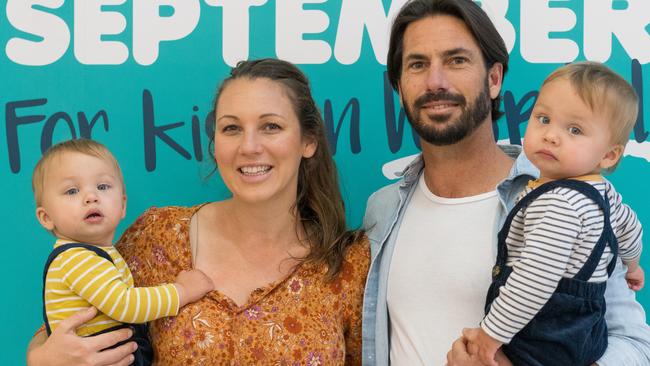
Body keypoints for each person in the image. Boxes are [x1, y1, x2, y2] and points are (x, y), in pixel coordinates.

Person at [360, 0, 650, 365]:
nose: (436, 81)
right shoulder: (382, 208)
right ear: (400, 87)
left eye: (456, 60)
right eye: (418, 64)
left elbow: (636, 346)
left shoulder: (566, 200)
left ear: (494, 78)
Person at [27, 58, 369, 366]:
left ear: (308, 141)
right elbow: (62, 329)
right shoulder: (158, 236)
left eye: (271, 126)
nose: (249, 147)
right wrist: (41, 359)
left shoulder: (347, 264)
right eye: (231, 128)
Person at [463, 62, 644, 366]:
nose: (551, 136)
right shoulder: (606, 194)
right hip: (587, 335)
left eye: (574, 130)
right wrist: (633, 265)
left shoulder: (560, 204)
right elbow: (631, 229)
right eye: (543, 119)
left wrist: (490, 335)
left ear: (609, 155)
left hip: (545, 335)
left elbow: (534, 279)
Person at [33, 139, 214, 365]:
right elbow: (124, 305)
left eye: (102, 187)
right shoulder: (76, 259)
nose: (91, 196)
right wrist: (182, 291)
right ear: (46, 217)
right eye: (72, 190)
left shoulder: (98, 253)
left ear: (122, 205)